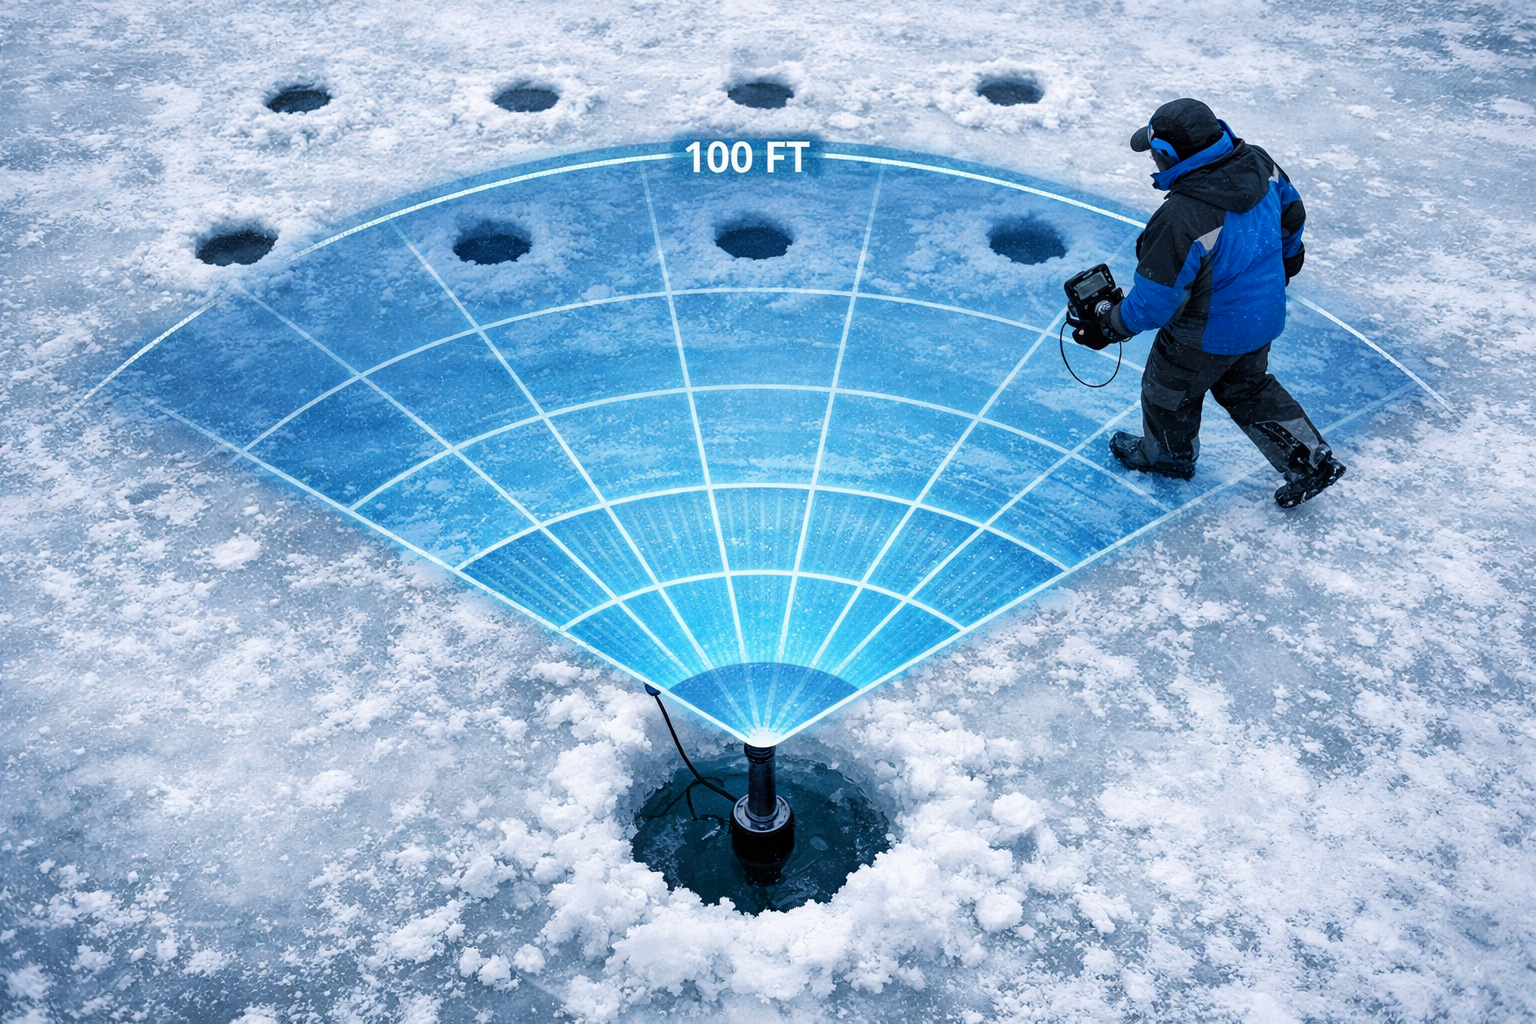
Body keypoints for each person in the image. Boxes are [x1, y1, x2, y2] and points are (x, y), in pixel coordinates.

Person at [1075, 98, 1346, 508]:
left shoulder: (1181, 219)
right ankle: (1310, 461)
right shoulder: (1259, 164)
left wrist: (1110, 325)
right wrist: (1287, 259)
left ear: (1167, 156)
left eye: (1153, 153)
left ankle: (1168, 456)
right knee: (1248, 387)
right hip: (1262, 316)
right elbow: (1292, 216)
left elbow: (1155, 302)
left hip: (1201, 334)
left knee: (1167, 394)